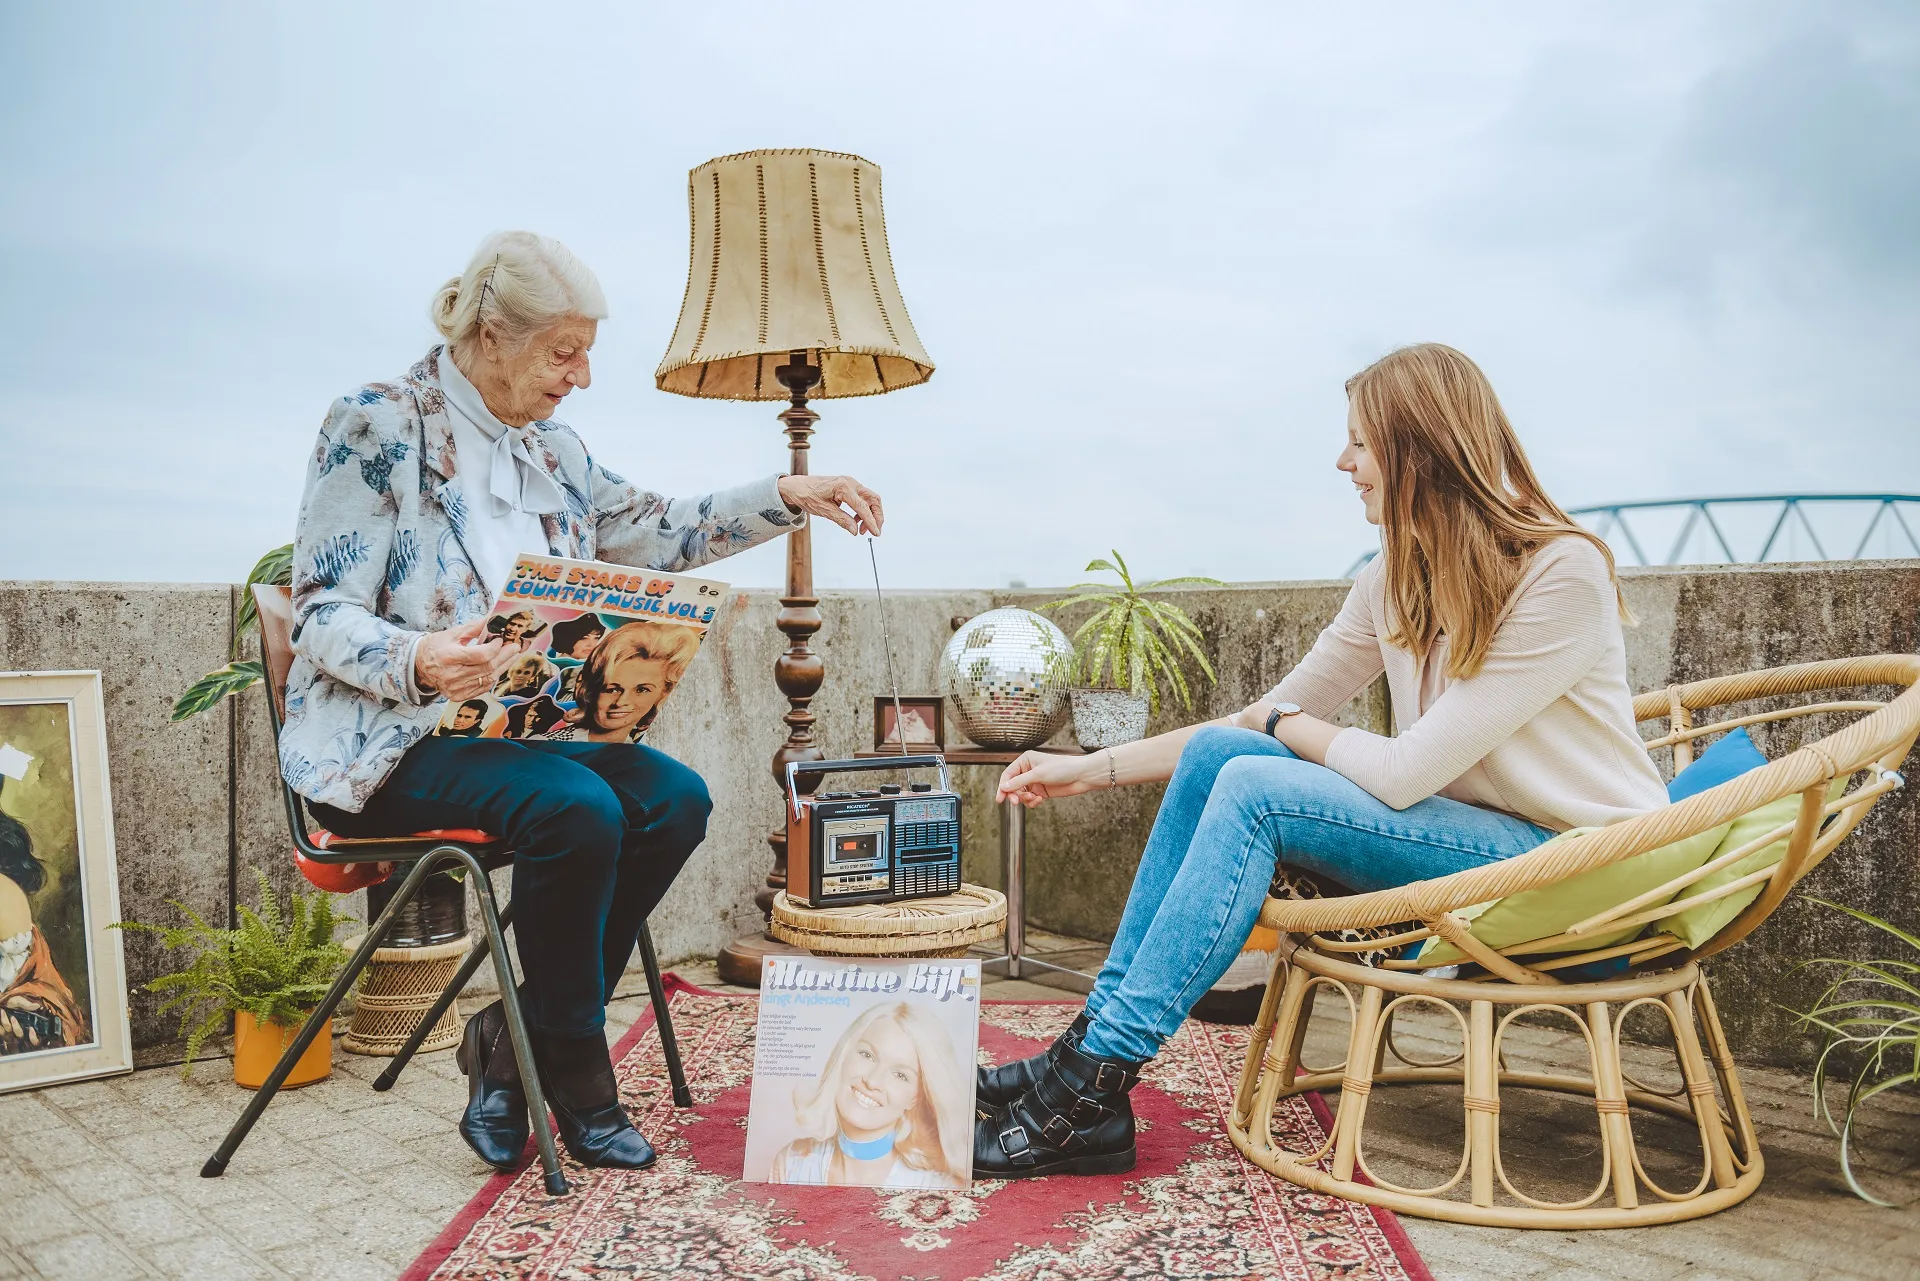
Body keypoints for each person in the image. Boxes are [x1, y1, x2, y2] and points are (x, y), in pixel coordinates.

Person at [972, 344, 1666, 1180]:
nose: (1344, 462)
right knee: (1229, 754)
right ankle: (1086, 1060)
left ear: (1421, 450)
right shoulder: (1395, 577)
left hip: (1574, 863)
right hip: (1466, 840)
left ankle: (1089, 1085)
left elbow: (1403, 771)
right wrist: (1087, 769)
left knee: (1257, 786)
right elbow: (1248, 723)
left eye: (1361, 443)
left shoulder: (1561, 571)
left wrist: (1283, 723)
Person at [279, 230, 886, 1175]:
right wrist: (421, 658)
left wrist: (788, 493)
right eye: (564, 352)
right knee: (577, 807)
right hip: (393, 739)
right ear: (491, 334)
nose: (583, 376)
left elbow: (657, 530)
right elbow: (320, 609)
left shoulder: (553, 449)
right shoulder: (379, 423)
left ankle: (511, 1039)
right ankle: (576, 1068)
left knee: (675, 797)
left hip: (518, 736)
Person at [771, 1003, 969, 1188]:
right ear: (844, 1056)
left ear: (915, 1098)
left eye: (900, 1075)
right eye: (867, 1055)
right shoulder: (791, 1163)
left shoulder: (937, 1186)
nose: (872, 1081)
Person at [552, 621, 700, 743]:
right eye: (612, 689)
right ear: (590, 691)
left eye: (642, 690)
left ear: (663, 694)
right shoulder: (549, 745)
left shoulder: (647, 757)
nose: (621, 702)